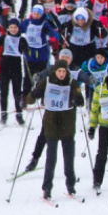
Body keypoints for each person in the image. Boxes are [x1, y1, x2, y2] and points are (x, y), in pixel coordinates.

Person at [28, 59, 85, 199]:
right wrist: (33, 94)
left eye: (64, 71)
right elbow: (30, 99)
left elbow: (80, 98)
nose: (61, 74)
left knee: (69, 158)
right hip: (51, 124)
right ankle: (47, 188)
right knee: (51, 159)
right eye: (59, 71)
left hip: (67, 125)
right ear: (55, 71)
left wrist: (78, 99)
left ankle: (71, 185)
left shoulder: (72, 83)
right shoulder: (47, 82)